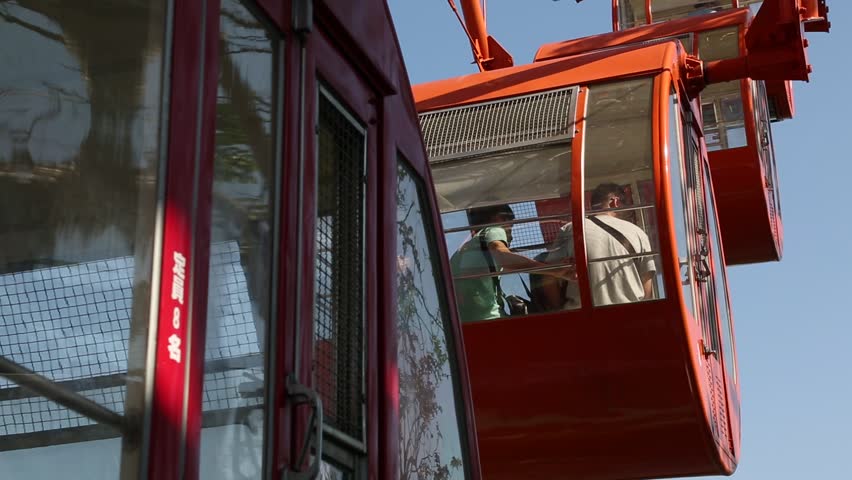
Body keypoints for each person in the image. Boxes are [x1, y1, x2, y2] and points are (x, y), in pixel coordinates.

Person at [450, 204, 573, 322]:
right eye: (511, 226)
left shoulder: (464, 252)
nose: (511, 236)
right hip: (491, 320)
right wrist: (556, 270)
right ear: (499, 218)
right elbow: (504, 257)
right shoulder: (494, 229)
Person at [545, 183, 656, 307]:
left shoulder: (571, 228)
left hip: (583, 317)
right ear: (615, 202)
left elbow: (549, 277)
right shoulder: (638, 233)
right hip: (629, 315)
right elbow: (647, 290)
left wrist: (563, 311)